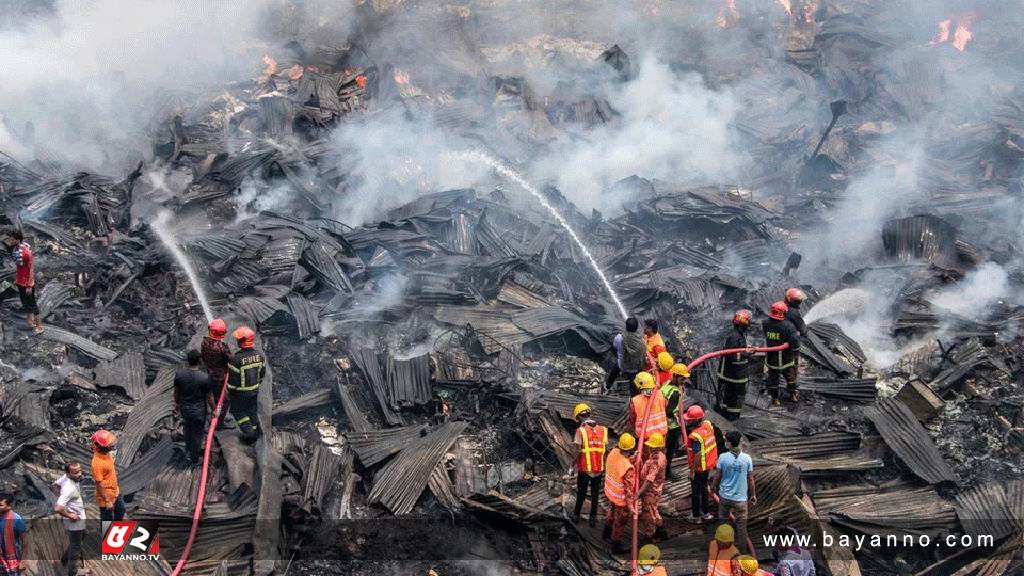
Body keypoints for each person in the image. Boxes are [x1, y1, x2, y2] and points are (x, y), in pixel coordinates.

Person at [711, 431, 756, 555]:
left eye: (726, 441)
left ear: (729, 443)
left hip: (725, 497)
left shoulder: (723, 457)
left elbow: (718, 475)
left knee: (724, 524)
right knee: (741, 528)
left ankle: (725, 549)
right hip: (741, 500)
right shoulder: (747, 459)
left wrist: (713, 487)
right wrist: (753, 495)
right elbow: (750, 479)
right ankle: (742, 553)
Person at [227, 326, 266, 444]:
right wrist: (255, 385)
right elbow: (262, 374)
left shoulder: (237, 359)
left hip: (240, 393)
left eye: (238, 339)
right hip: (254, 391)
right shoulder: (260, 356)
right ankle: (257, 431)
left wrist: (230, 391)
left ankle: (249, 434)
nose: (237, 341)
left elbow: (233, 381)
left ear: (242, 341)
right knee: (252, 410)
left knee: (237, 412)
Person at [175, 349, 214, 466]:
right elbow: (209, 397)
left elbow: (176, 393)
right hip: (199, 411)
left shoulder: (179, 375)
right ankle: (194, 457)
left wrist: (177, 404)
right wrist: (214, 409)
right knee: (198, 433)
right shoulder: (204, 377)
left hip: (185, 409)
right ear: (199, 360)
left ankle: (188, 451)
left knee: (188, 430)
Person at [571, 403, 607, 526]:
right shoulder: (603, 430)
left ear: (579, 417)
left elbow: (577, 452)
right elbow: (604, 449)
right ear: (589, 414)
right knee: (595, 495)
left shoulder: (580, 431)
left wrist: (571, 466)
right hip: (599, 469)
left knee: (581, 493)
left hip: (585, 469)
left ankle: (576, 515)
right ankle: (592, 519)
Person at [602, 433, 637, 553]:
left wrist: (631, 459)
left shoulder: (613, 452)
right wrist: (631, 507)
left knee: (611, 512)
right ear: (631, 448)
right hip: (621, 499)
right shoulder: (628, 468)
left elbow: (618, 464)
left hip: (611, 492)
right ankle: (616, 545)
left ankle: (606, 533)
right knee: (620, 521)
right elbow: (628, 490)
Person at [685, 404, 719, 522]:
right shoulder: (707, 425)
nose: (687, 422)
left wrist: (692, 471)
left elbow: (698, 454)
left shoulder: (695, 436)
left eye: (690, 420)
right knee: (704, 489)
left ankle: (696, 517)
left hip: (699, 468)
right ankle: (706, 513)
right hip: (708, 465)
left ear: (695, 421)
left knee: (696, 492)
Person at [763, 302, 801, 406]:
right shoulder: (789, 326)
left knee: (773, 380)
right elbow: (795, 342)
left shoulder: (765, 323)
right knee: (790, 378)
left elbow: (767, 334)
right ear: (783, 313)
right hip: (786, 359)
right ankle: (792, 395)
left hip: (772, 358)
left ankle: (775, 399)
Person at [5, 230, 42, 333]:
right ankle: (30, 321)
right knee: (25, 302)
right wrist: (17, 279)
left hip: (27, 283)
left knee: (32, 303)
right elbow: (20, 268)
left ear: (17, 240)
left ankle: (39, 326)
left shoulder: (26, 253)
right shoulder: (16, 249)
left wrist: (29, 285)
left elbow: (31, 269)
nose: (10, 241)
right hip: (20, 281)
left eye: (12, 239)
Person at [53, 462, 86, 576]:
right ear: (68, 473)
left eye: (80, 470)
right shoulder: (69, 488)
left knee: (81, 537)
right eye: (76, 472)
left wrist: (62, 497)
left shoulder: (65, 478)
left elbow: (55, 485)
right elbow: (58, 508)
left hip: (78, 518)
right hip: (75, 522)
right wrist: (69, 515)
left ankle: (65, 558)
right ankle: (73, 572)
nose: (79, 474)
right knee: (76, 547)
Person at [719, 310, 751, 420]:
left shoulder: (737, 335)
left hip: (733, 374)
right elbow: (733, 356)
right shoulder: (735, 337)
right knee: (735, 398)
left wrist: (745, 350)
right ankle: (732, 417)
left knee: (728, 397)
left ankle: (725, 415)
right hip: (734, 376)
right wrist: (747, 353)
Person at [201, 318, 233, 427]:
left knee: (213, 397)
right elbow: (231, 359)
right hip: (220, 377)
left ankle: (214, 414)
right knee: (224, 400)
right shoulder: (222, 347)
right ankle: (219, 422)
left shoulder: (204, 342)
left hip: (209, 373)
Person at [662, 362, 689, 478]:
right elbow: (669, 411)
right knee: (669, 451)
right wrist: (677, 418)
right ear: (676, 376)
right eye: (682, 378)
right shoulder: (675, 393)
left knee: (667, 448)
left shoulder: (666, 385)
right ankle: (667, 472)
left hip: (663, 424)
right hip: (672, 426)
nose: (684, 381)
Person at [638, 432, 667, 539]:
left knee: (648, 514)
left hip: (651, 492)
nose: (650, 448)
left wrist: (638, 493)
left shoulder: (655, 462)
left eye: (652, 447)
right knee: (653, 510)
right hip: (655, 489)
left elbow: (649, 480)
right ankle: (661, 530)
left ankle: (650, 534)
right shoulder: (660, 455)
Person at [606, 317, 647, 393]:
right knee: (633, 385)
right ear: (636, 328)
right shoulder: (642, 340)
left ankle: (608, 386)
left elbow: (614, 345)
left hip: (623, 365)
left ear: (626, 326)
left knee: (615, 369)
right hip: (636, 368)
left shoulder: (620, 338)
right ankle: (634, 396)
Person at [90, 430, 124, 521]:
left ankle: (117, 527)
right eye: (111, 445)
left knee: (121, 511)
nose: (113, 446)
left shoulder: (106, 453)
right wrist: (107, 501)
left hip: (115, 491)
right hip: (106, 496)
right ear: (103, 447)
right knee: (107, 519)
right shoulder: (97, 463)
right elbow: (99, 484)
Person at [629, 372, 668, 442]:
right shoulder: (661, 394)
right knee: (660, 449)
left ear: (638, 386)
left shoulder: (635, 401)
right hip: (661, 433)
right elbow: (666, 407)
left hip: (645, 435)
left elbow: (632, 418)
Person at [0, 493, 27, 576]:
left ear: (9, 506)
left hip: (12, 559)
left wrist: (23, 561)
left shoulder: (16, 519)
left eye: (0, 505)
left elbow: (25, 542)